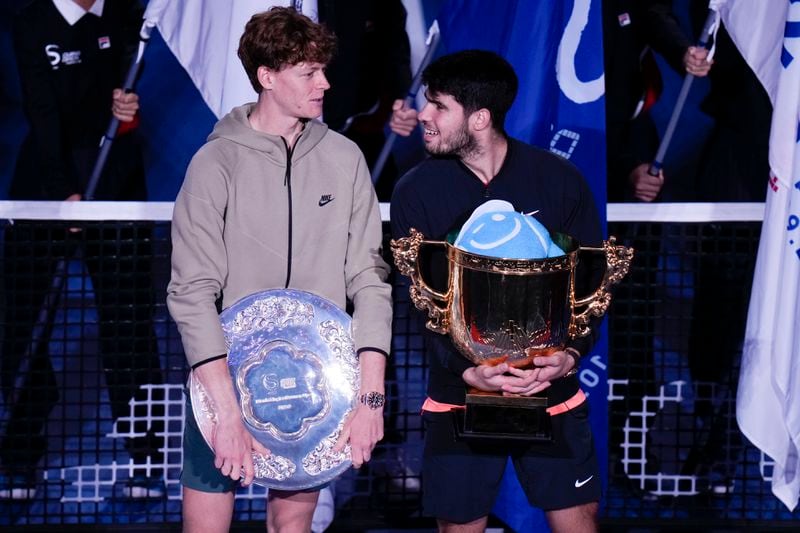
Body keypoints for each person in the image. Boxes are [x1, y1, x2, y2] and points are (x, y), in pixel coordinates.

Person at [166, 7, 392, 532]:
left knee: (293, 528)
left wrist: (370, 397)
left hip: (316, 386)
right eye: (308, 72)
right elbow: (192, 292)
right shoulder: (215, 163)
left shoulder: (346, 158)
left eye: (323, 70)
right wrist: (224, 412)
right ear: (267, 78)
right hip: (221, 382)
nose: (325, 83)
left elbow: (370, 280)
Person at [391, 50, 604, 533]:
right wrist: (469, 370)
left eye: (439, 105)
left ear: (480, 118)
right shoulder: (415, 192)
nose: (423, 114)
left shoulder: (560, 182)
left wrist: (570, 355)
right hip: (459, 397)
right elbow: (424, 304)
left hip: (551, 391)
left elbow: (591, 290)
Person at [0, 0, 163, 500]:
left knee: (128, 325)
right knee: (21, 321)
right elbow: (41, 110)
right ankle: (20, 455)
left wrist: (127, 114)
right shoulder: (30, 19)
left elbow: (127, 100)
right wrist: (63, 192)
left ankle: (147, 458)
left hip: (114, 180)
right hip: (46, 187)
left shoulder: (130, 13)